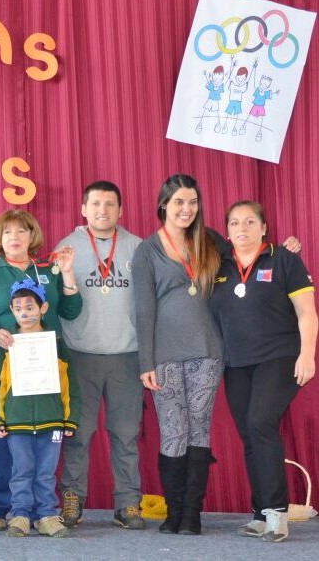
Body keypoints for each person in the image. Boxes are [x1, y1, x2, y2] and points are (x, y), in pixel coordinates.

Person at [210, 201, 316, 543]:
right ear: (226, 230)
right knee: (249, 434)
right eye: (235, 223)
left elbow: (307, 313)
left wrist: (307, 355)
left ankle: (276, 512)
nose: (242, 228)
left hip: (281, 357)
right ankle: (260, 514)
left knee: (260, 423)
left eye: (250, 221)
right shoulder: (219, 263)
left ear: (264, 227)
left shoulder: (285, 259)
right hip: (237, 363)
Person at [0, 209, 81, 530]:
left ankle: (41, 511)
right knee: (2, 436)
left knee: (45, 439)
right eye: (7, 233)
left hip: (47, 364)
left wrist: (70, 273)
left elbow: (72, 310)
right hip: (3, 363)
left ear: (32, 236)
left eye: (21, 231)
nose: (14, 238)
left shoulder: (49, 269)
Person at [133, 173, 223, 536]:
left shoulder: (212, 241)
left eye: (193, 202)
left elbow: (251, 254)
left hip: (207, 352)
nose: (187, 209)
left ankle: (192, 516)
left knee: (199, 430)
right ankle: (174, 512)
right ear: (163, 206)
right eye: (179, 202)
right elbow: (142, 310)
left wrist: (287, 247)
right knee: (174, 432)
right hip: (165, 356)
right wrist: (146, 363)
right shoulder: (147, 250)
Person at [55, 181, 146, 530]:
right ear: (83, 209)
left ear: (120, 210)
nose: (102, 210)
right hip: (81, 355)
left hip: (127, 354)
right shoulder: (67, 247)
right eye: (95, 204)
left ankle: (128, 503)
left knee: (125, 432)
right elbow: (60, 302)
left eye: (110, 204)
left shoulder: (139, 248)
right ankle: (72, 498)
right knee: (78, 432)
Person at [0, 279, 78, 538]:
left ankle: (47, 515)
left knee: (46, 472)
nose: (25, 313)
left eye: (30, 307)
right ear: (11, 311)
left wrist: (69, 419)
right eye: (18, 308)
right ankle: (20, 515)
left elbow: (71, 384)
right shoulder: (6, 346)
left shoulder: (57, 344)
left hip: (52, 422)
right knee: (22, 470)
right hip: (18, 422)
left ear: (44, 308)